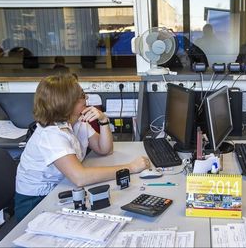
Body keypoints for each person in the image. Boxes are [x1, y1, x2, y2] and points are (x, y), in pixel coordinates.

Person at [15, 74, 150, 222]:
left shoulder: (76, 122)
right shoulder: (50, 135)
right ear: (66, 102)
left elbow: (104, 149)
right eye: (81, 95)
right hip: (35, 202)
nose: (86, 98)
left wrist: (103, 120)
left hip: (61, 188)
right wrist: (130, 167)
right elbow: (80, 177)